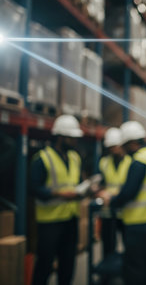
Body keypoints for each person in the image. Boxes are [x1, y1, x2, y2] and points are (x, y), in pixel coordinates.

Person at [99, 121, 146, 285]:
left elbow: (129, 192)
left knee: (135, 270)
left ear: (131, 143)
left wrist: (111, 201)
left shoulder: (139, 161)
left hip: (140, 224)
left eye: (124, 145)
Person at [31, 114, 84, 285]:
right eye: (72, 138)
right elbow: (35, 189)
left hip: (70, 219)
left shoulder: (75, 158)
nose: (75, 141)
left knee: (68, 264)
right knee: (45, 265)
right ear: (61, 137)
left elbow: (77, 183)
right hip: (50, 222)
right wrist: (61, 194)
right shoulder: (42, 159)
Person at [97, 127, 131, 261]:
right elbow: (100, 184)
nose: (113, 150)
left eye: (115, 146)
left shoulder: (131, 162)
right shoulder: (104, 162)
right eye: (110, 147)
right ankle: (107, 277)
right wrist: (100, 192)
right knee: (108, 246)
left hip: (126, 210)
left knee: (129, 246)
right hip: (108, 211)